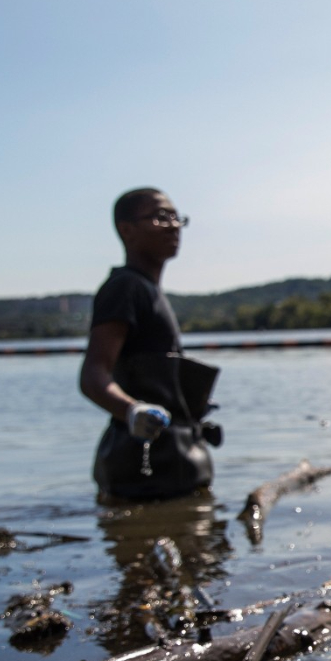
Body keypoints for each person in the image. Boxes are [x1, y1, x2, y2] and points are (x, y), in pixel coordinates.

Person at [80, 187, 220, 502]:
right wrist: (132, 411)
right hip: (142, 474)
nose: (173, 226)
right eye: (159, 217)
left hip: (173, 466)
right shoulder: (125, 287)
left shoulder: (149, 290)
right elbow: (92, 376)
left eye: (176, 217)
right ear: (126, 230)